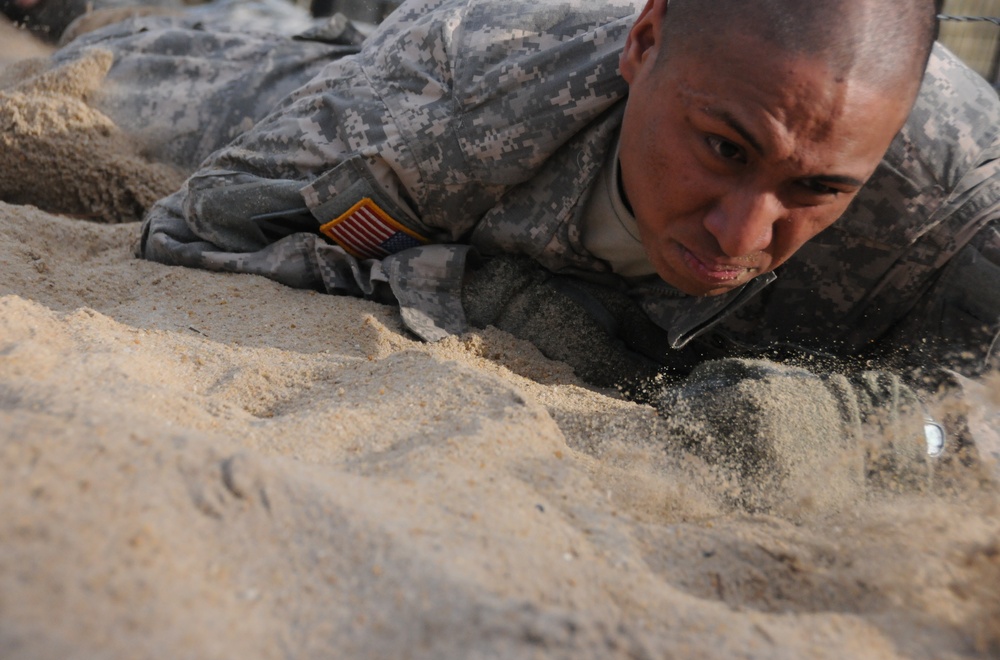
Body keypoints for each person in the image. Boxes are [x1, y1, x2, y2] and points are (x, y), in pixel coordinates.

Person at [12, 0, 1000, 481]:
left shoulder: (961, 200)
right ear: (646, 42)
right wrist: (486, 299)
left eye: (816, 190)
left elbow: (974, 408)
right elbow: (207, 223)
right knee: (118, 80)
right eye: (721, 148)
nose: (742, 232)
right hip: (377, 77)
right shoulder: (448, 102)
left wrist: (854, 418)